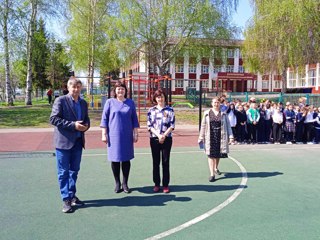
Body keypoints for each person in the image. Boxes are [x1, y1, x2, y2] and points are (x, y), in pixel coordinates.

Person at [49, 77, 90, 213]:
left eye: (78, 87)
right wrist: (73, 125)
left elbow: (86, 120)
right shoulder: (60, 100)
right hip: (63, 143)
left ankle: (72, 195)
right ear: (68, 87)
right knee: (63, 172)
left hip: (78, 142)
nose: (76, 89)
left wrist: (86, 126)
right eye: (73, 87)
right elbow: (53, 119)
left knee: (74, 171)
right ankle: (65, 199)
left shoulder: (83, 103)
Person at [100, 81, 139, 194]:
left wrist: (135, 133)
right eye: (118, 89)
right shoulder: (109, 102)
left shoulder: (130, 103)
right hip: (113, 135)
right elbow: (105, 119)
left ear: (125, 91)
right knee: (115, 159)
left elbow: (134, 120)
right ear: (115, 91)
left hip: (127, 135)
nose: (120, 91)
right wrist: (104, 134)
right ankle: (117, 183)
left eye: (122, 89)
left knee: (126, 159)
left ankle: (125, 183)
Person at [198, 96, 234, 182]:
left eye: (217, 102)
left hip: (221, 136)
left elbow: (228, 125)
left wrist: (231, 136)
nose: (216, 104)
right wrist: (201, 137)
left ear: (220, 104)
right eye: (214, 102)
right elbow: (203, 126)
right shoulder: (207, 113)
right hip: (210, 136)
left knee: (218, 154)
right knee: (210, 155)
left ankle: (216, 168)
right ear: (211, 103)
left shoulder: (223, 114)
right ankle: (212, 174)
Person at [147, 89, 175, 193]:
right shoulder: (151, 110)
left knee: (165, 162)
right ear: (155, 98)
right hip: (154, 139)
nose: (160, 98)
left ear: (165, 97)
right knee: (155, 162)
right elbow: (149, 126)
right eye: (158, 97)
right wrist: (158, 135)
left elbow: (172, 125)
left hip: (167, 139)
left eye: (162, 96)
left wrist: (164, 135)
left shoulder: (170, 110)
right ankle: (156, 184)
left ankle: (166, 185)